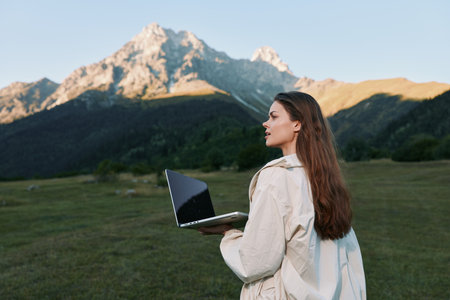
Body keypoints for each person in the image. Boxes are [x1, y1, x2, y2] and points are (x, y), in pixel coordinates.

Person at [199, 91, 366, 299]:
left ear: (297, 124)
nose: (265, 123)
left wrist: (228, 233)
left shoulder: (276, 176)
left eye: (274, 116)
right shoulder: (326, 180)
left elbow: (254, 263)